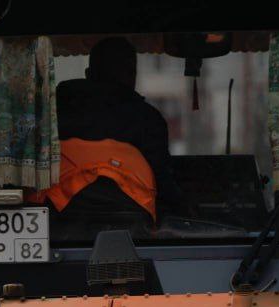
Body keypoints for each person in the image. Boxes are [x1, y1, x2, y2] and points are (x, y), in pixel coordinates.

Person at [40, 36, 187, 222]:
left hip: (53, 219)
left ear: (88, 74)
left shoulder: (50, 115)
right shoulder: (147, 120)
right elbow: (162, 184)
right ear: (131, 75)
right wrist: (185, 211)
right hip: (133, 227)